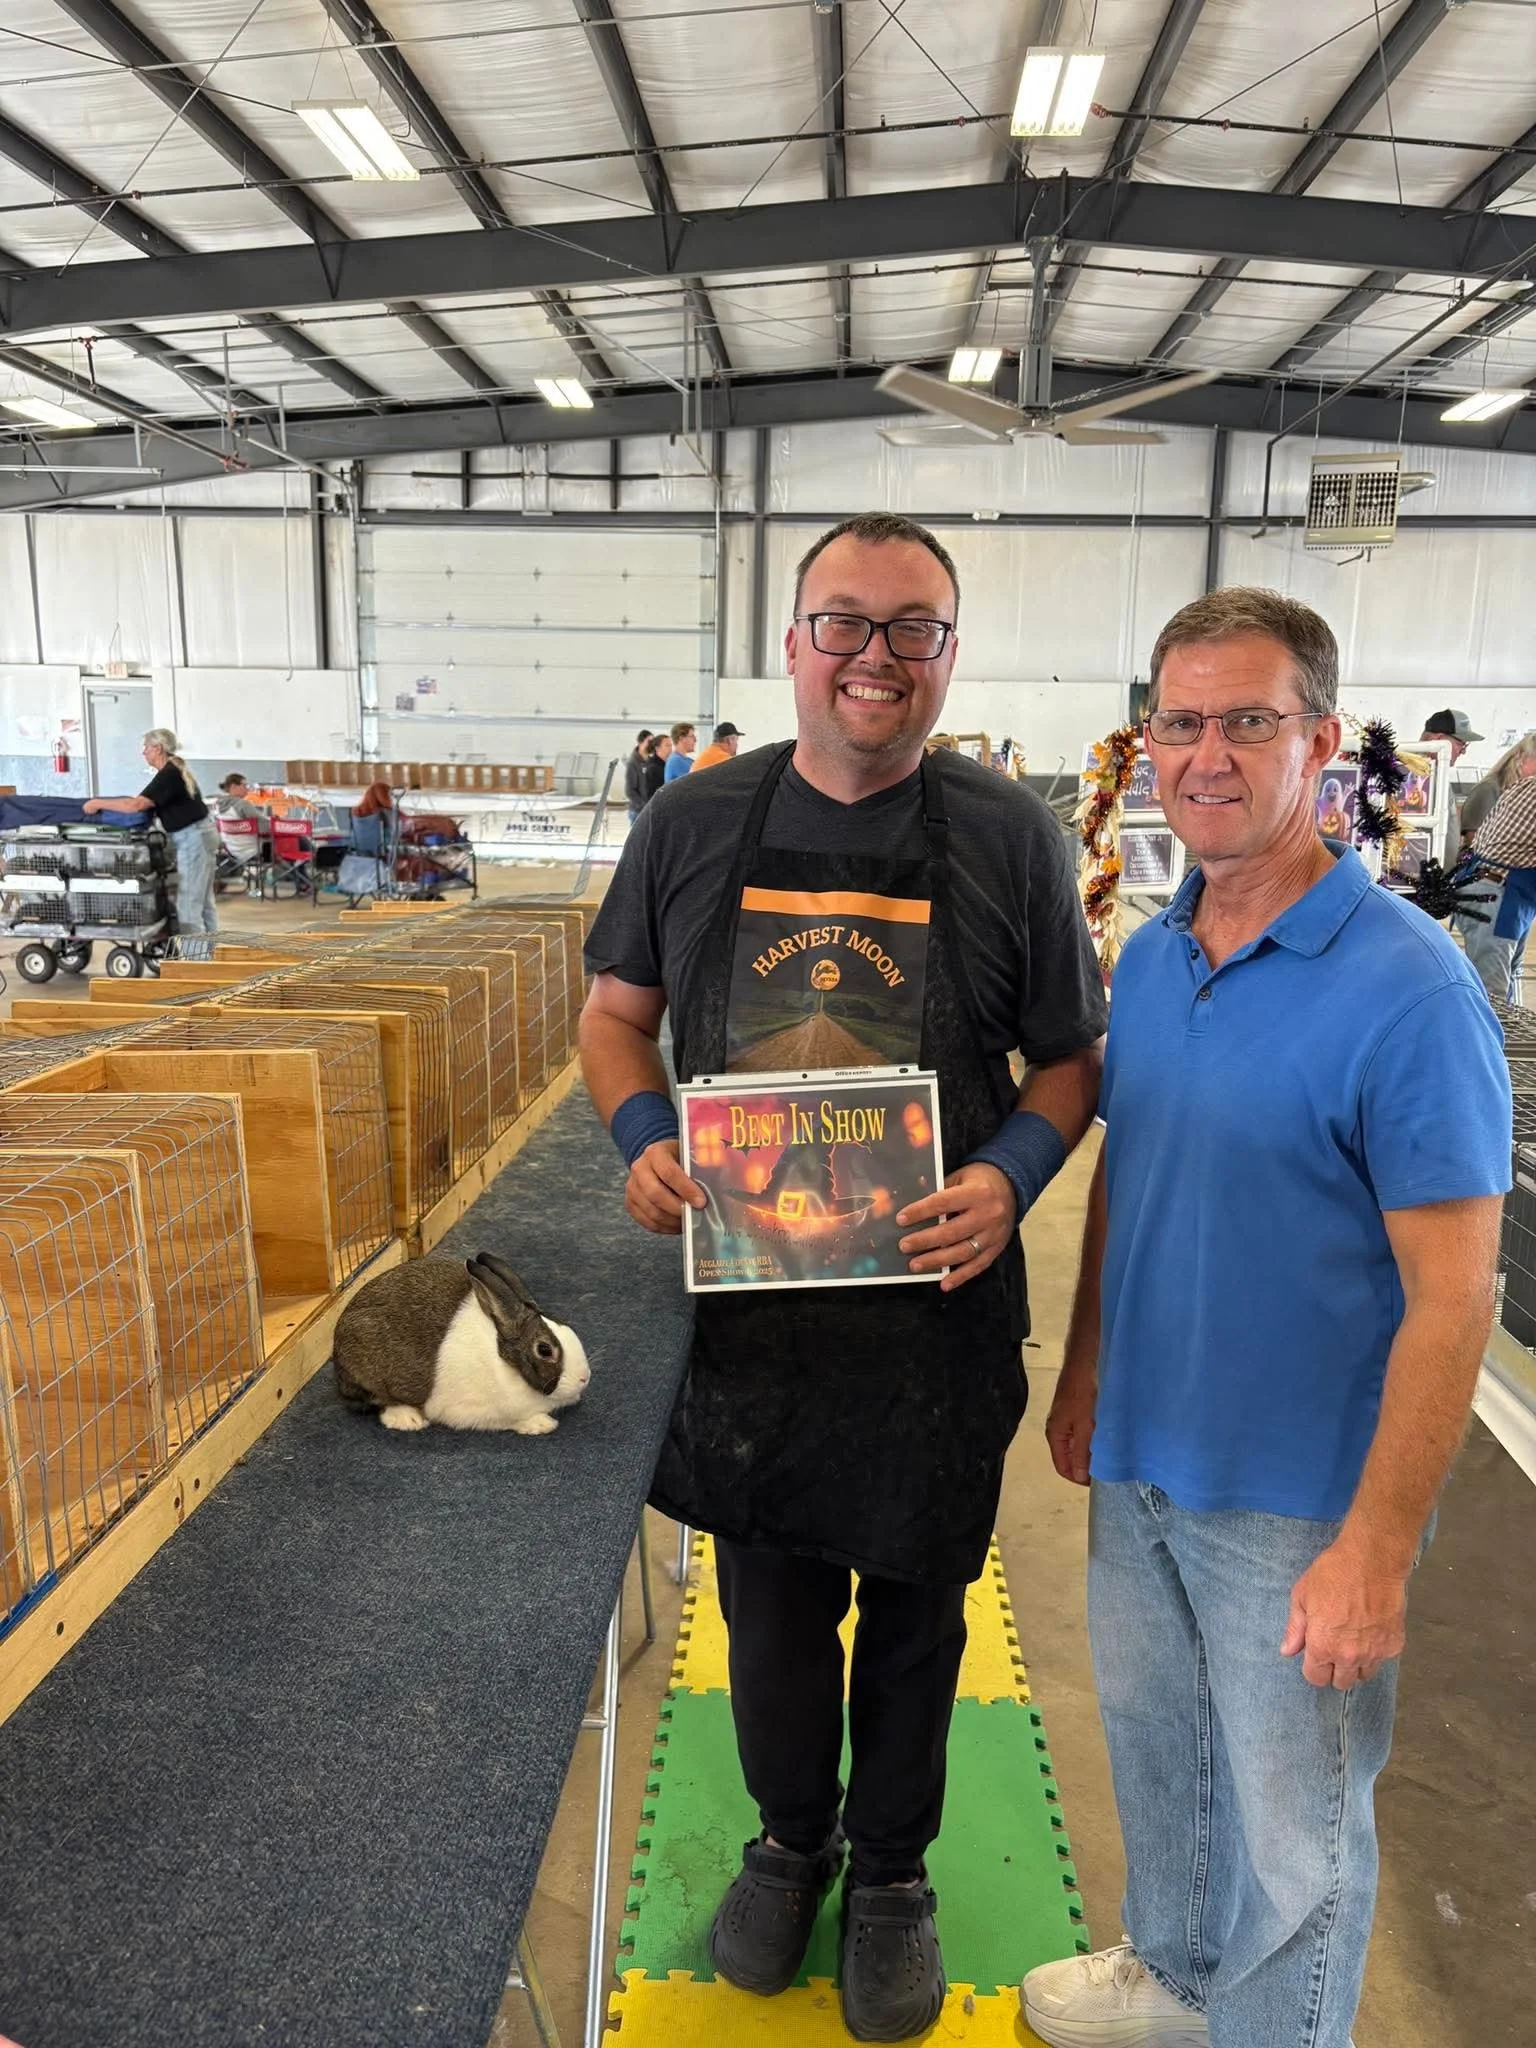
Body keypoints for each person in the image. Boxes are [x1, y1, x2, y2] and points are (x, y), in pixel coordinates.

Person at [580, 513, 1106, 2042]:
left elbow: (1072, 1061)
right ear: (792, 636)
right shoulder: (693, 822)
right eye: (845, 623)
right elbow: (615, 1016)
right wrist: (639, 1135)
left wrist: (1008, 1177)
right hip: (754, 1312)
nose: (876, 658)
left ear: (951, 651)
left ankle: (892, 1873)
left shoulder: (1011, 834)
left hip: (934, 1314)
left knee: (923, 1606)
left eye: (914, 629)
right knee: (769, 1604)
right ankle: (787, 1835)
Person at [1023, 590, 1511, 2048]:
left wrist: (1372, 1551)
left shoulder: (1409, 991)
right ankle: (1175, 1983)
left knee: (1300, 1844)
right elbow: (1132, 1167)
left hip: (1302, 1504)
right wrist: (1089, 1369)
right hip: (1144, 1459)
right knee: (1163, 1759)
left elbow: (1457, 1295)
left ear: (1318, 745)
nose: (1208, 753)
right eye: (1181, 721)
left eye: (1250, 720)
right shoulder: (1159, 958)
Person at [83, 727, 220, 936]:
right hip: (201, 835)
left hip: (194, 839)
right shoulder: (174, 770)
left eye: (146, 747)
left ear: (157, 748)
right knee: (203, 902)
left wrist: (97, 803)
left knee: (189, 905)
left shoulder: (169, 774)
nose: (143, 752)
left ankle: (196, 961)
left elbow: (136, 805)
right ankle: (212, 956)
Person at [1457, 733, 1536, 1005]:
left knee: (1500, 987)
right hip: (1497, 895)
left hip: (1498, 893)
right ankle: (1483, 1048)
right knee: (1492, 996)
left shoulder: (1519, 787)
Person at [624, 729, 654, 823]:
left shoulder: (651, 761)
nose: (651, 745)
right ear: (640, 742)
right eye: (649, 742)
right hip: (638, 812)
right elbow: (630, 791)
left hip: (649, 810)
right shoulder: (633, 763)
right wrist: (643, 806)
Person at [640, 731, 672, 805]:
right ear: (657, 748)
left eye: (671, 745)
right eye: (667, 745)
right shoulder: (653, 767)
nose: (670, 748)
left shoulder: (665, 765)